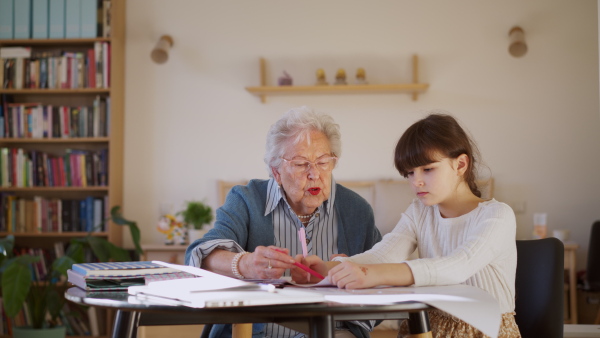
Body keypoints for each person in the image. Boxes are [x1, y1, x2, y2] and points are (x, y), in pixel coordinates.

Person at [300, 113, 521, 338]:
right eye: (409, 173)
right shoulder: (419, 211)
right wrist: (326, 269)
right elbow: (383, 255)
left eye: (428, 169)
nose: (416, 181)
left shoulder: (497, 216)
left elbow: (457, 266)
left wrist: (373, 275)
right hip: (425, 326)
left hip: (484, 331)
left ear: (461, 164)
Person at [185, 106, 382, 338]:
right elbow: (199, 255)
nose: (314, 174)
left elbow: (383, 280)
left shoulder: (356, 210)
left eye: (322, 162)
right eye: (300, 164)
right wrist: (246, 264)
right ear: (276, 171)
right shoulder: (247, 199)